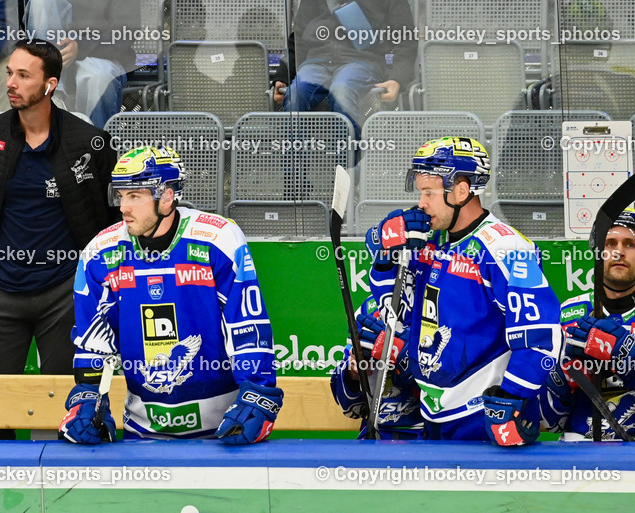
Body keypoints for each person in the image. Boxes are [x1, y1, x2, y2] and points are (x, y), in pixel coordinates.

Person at [0, 38, 117, 440]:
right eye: (10, 72)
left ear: (50, 85)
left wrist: (97, 279)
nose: (12, 82)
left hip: (64, 295)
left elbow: (114, 217)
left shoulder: (89, 142)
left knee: (66, 408)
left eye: (24, 75)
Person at [60, 146, 283, 443]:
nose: (123, 207)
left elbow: (247, 326)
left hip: (225, 430)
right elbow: (93, 343)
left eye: (135, 196)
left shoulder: (218, 238)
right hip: (142, 433)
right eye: (121, 195)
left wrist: (258, 395)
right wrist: (88, 399)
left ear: (166, 196)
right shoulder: (101, 253)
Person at [365, 136, 561, 445]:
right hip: (432, 413)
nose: (421, 203)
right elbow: (398, 317)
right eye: (420, 192)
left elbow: (540, 334)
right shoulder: (428, 242)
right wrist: (387, 260)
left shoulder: (506, 247)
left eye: (429, 192)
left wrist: (513, 397)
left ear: (461, 189)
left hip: (483, 415)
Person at [541, 209, 635, 440]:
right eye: (610, 243)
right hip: (578, 453)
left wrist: (628, 355)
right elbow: (548, 424)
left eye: (630, 244)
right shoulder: (568, 314)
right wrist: (561, 380)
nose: (619, 252)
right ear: (597, 251)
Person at [272, 0, 416, 136]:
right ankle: (294, 161)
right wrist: (283, 77)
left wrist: (397, 79)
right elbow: (298, 38)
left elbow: (406, 39)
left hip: (361, 62)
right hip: (316, 61)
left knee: (342, 90)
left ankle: (346, 161)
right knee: (296, 94)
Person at [24, 0, 138, 127]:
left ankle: (95, 143)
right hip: (55, 61)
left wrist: (79, 46)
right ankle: (52, 94)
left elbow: (124, 34)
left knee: (98, 77)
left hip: (102, 55)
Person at [330, 294, 422, 439]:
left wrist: (411, 359)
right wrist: (353, 373)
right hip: (377, 432)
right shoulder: (370, 306)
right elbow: (351, 409)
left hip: (428, 434)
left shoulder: (439, 303)